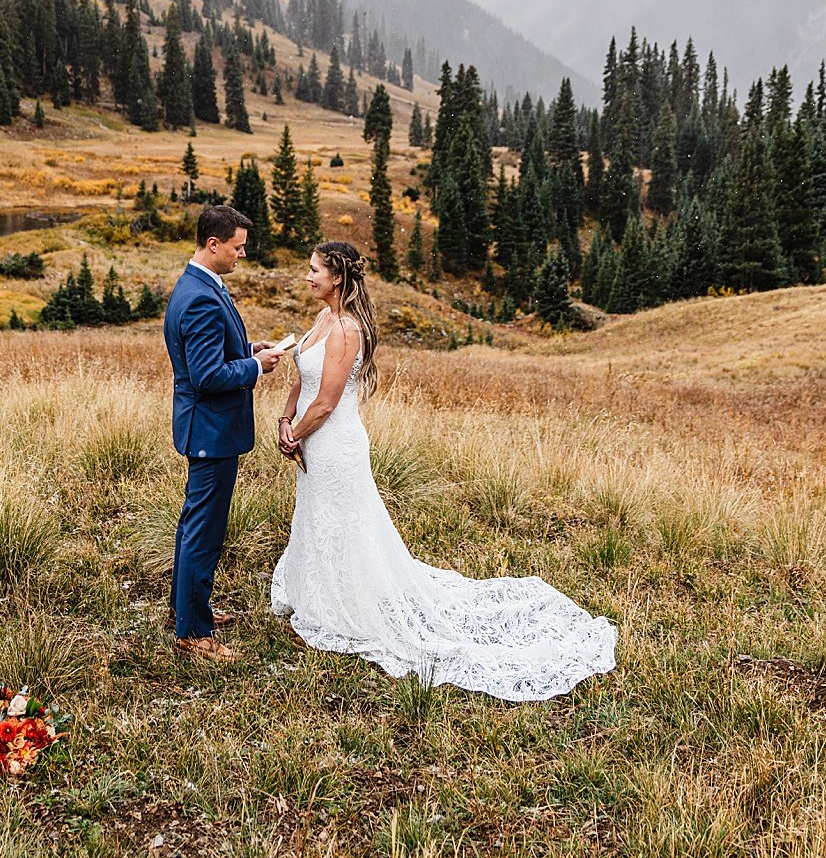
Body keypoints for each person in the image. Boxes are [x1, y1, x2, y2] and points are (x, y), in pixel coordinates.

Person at [271, 240, 618, 700]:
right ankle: (320, 594)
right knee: (318, 519)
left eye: (315, 270)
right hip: (310, 439)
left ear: (338, 278)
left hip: (334, 443)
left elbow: (329, 401)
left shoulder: (347, 330)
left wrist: (295, 433)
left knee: (346, 525)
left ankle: (351, 607)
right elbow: (301, 378)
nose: (308, 276)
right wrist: (283, 419)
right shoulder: (320, 319)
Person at [162, 204, 283, 663]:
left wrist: (249, 348)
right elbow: (209, 375)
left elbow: (211, 353)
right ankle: (193, 632)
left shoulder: (200, 285)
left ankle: (188, 608)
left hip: (209, 429)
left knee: (196, 522)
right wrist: (256, 366)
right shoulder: (198, 298)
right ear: (213, 244)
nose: (242, 255)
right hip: (210, 430)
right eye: (238, 247)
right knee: (204, 530)